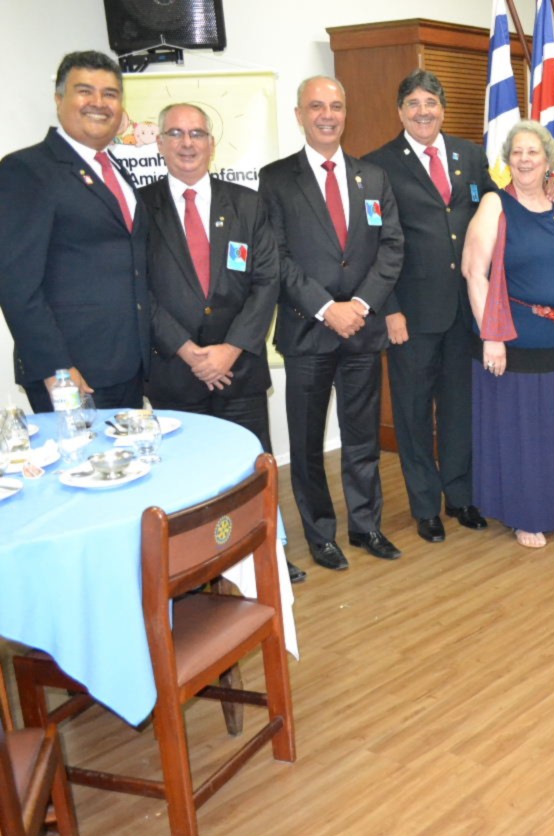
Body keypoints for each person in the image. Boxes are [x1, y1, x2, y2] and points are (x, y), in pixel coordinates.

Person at [140, 103, 305, 584]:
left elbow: (266, 281)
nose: (187, 143)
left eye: (197, 133)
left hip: (240, 369)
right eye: (176, 133)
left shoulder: (247, 203)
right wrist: (187, 350)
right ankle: (195, 569)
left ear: (212, 143)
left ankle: (268, 556)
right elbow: (137, 288)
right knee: (185, 477)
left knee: (250, 471)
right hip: (175, 370)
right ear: (160, 143)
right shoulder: (140, 206)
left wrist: (231, 348)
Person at [259, 76, 405, 571]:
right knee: (305, 445)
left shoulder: (373, 177)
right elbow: (275, 257)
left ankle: (366, 526)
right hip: (308, 331)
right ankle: (321, 534)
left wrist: (360, 305)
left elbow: (392, 247)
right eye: (317, 106)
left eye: (336, 106)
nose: (327, 115)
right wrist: (327, 308)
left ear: (346, 113)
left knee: (362, 437)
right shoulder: (276, 180)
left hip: (362, 331)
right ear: (299, 114)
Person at [364, 70, 495, 545]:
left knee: (460, 408)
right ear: (400, 112)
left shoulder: (470, 155)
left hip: (466, 309)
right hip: (411, 314)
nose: (424, 112)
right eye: (414, 104)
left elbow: (497, 206)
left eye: (431, 103)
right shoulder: (377, 166)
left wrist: (550, 186)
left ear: (443, 109)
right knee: (414, 412)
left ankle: (460, 496)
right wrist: (389, 308)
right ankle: (425, 505)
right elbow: (372, 245)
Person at [461, 122, 554, 548]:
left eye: (533, 152)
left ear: (548, 159)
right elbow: (474, 273)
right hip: (513, 341)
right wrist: (492, 335)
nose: (525, 159)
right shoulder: (495, 205)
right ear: (508, 159)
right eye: (517, 152)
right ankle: (524, 515)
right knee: (520, 432)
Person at [0, 50, 148, 412]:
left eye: (110, 94)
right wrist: (57, 368)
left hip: (127, 366)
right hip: (72, 373)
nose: (98, 102)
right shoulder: (27, 170)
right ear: (58, 99)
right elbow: (16, 284)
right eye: (84, 91)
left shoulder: (115, 171)